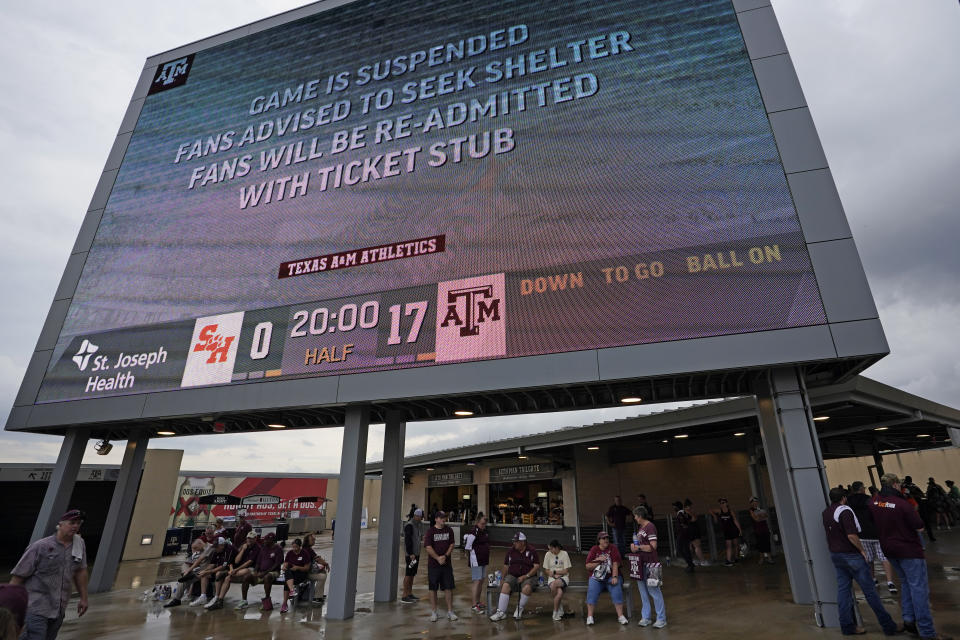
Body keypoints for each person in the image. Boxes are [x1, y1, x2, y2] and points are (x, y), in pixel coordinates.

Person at [871, 473, 951, 640]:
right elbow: (919, 527)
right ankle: (927, 632)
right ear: (894, 485)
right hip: (908, 550)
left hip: (889, 549)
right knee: (919, 589)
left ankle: (908, 620)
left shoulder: (875, 501)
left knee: (907, 584)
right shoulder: (902, 504)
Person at [822, 487, 900, 636]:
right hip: (851, 555)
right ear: (844, 498)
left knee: (843, 592)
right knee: (870, 592)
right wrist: (862, 550)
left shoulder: (826, 512)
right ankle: (888, 626)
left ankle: (847, 627)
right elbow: (851, 535)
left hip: (836, 555)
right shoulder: (845, 510)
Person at [10, 509, 89, 640]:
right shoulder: (40, 547)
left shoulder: (79, 545)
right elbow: (18, 577)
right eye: (72, 522)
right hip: (35, 608)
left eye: (79, 523)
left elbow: (80, 571)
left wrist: (84, 598)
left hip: (59, 609)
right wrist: (10, 607)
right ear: (61, 524)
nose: (76, 526)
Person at [847, 481, 897, 595]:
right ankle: (890, 581)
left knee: (868, 559)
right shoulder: (870, 500)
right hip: (876, 533)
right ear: (861, 489)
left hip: (862, 535)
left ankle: (873, 579)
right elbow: (880, 507)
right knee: (884, 557)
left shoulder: (849, 502)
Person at [488, 532, 540, 621]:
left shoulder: (532, 551)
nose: (514, 543)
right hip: (513, 575)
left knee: (527, 588)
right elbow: (505, 566)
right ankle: (501, 612)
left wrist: (525, 576)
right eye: (514, 541)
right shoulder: (511, 551)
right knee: (505, 585)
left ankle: (519, 608)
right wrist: (502, 578)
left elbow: (536, 566)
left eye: (516, 541)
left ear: (522, 542)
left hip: (529, 576)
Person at [631, 505, 666, 628]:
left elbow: (653, 546)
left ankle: (661, 618)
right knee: (643, 592)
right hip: (641, 564)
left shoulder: (650, 527)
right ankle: (646, 617)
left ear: (640, 516)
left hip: (651, 563)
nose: (634, 518)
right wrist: (635, 548)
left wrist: (639, 547)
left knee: (654, 590)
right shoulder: (641, 528)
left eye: (635, 516)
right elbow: (640, 544)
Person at [206, 530, 258, 610]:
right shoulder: (243, 546)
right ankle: (219, 600)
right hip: (238, 569)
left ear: (255, 538)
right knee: (227, 578)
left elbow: (248, 563)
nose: (249, 540)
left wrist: (235, 570)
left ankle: (228, 574)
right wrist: (243, 550)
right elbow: (236, 561)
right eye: (248, 538)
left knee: (245, 571)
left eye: (251, 538)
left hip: (251, 569)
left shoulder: (257, 548)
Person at [584, 531, 628, 626]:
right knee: (592, 589)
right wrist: (599, 561)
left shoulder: (613, 548)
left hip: (610, 576)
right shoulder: (594, 549)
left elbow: (616, 563)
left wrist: (615, 577)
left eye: (607, 538)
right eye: (603, 538)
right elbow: (588, 566)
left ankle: (620, 616)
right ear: (599, 540)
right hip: (597, 577)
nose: (606, 540)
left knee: (616, 588)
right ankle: (590, 616)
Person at [423, 511, 458, 622]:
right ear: (436, 519)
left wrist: (445, 556)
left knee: (448, 587)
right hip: (433, 565)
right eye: (441, 517)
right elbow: (428, 547)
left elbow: (452, 544)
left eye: (444, 517)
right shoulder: (430, 532)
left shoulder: (449, 530)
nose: (444, 519)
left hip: (446, 565)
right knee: (433, 588)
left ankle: (450, 611)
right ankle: (434, 612)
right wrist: (438, 558)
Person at [240, 533, 282, 610]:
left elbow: (277, 564)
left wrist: (264, 573)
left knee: (267, 577)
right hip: (261, 571)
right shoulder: (263, 548)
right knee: (246, 577)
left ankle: (267, 600)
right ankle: (244, 601)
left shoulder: (278, 549)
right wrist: (255, 571)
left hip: (274, 572)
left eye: (266, 540)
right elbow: (258, 562)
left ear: (271, 540)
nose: (264, 541)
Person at [189, 537, 232, 606]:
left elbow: (223, 566)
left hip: (231, 568)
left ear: (222, 545)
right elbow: (212, 564)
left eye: (216, 547)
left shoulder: (228, 549)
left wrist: (209, 572)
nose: (215, 549)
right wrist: (205, 571)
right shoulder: (216, 550)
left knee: (218, 574)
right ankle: (203, 597)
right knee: (204, 574)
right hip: (221, 568)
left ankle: (216, 597)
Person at [463, 514, 490, 614]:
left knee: (481, 580)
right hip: (476, 560)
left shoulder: (483, 531)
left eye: (485, 524)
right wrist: (470, 558)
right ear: (478, 522)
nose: (484, 525)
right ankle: (474, 605)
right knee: (477, 581)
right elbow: (467, 547)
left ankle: (478, 602)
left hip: (483, 559)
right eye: (482, 523)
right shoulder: (474, 531)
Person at [279, 538, 313, 613]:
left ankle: (285, 604)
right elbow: (285, 564)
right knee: (287, 573)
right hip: (291, 573)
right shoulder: (290, 553)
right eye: (293, 547)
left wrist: (297, 567)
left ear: (300, 546)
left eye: (296, 547)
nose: (294, 549)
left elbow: (307, 568)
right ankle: (291, 592)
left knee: (287, 581)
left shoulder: (305, 553)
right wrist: (284, 567)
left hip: (301, 574)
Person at [401, 508, 427, 603]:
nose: (421, 518)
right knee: (408, 573)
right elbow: (408, 541)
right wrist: (411, 553)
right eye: (420, 517)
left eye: (421, 517)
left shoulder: (418, 525)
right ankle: (404, 595)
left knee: (412, 574)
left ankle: (409, 593)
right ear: (415, 516)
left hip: (416, 554)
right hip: (411, 555)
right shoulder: (410, 525)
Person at [542, 539, 572, 621]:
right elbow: (546, 570)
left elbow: (566, 570)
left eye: (552, 548)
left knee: (554, 585)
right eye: (549, 549)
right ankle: (559, 607)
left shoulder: (564, 554)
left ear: (557, 547)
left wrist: (555, 572)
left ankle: (555, 612)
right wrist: (551, 574)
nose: (550, 550)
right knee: (559, 593)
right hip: (552, 578)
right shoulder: (548, 554)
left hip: (563, 577)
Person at [711, 498, 742, 566]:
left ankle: (736, 558)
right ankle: (728, 560)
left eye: (723, 502)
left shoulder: (730, 511)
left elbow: (735, 520)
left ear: (726, 503)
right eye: (721, 503)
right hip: (726, 531)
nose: (722, 504)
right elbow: (711, 510)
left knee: (736, 544)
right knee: (728, 546)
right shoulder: (719, 511)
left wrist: (740, 529)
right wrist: (714, 516)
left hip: (733, 530)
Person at [304, 533, 330, 604]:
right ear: (307, 541)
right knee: (322, 576)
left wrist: (323, 563)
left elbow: (317, 558)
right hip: (305, 573)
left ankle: (319, 594)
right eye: (312, 539)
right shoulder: (307, 549)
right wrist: (326, 563)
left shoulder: (307, 548)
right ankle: (317, 598)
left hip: (305, 571)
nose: (314, 540)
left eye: (314, 539)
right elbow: (317, 559)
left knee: (323, 572)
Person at [748, 497, 775, 565]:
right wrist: (761, 516)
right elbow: (756, 519)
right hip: (758, 530)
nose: (755, 503)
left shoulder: (761, 509)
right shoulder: (751, 510)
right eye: (753, 502)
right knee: (760, 544)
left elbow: (766, 516)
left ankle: (769, 558)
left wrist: (759, 516)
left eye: (756, 502)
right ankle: (761, 558)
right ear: (751, 503)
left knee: (767, 543)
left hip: (765, 529)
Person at [683, 499, 707, 565]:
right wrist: (692, 513)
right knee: (697, 546)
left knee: (691, 547)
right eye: (690, 506)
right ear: (687, 506)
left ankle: (694, 560)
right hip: (692, 531)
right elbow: (694, 519)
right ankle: (702, 561)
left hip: (690, 531)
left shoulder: (685, 513)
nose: (691, 508)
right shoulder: (687, 512)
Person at [672, 501, 695, 572]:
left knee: (680, 549)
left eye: (674, 506)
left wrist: (682, 531)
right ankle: (690, 565)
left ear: (677, 507)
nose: (673, 508)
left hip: (682, 534)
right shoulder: (684, 513)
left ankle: (690, 564)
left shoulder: (680, 514)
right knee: (686, 550)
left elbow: (684, 524)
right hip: (685, 534)